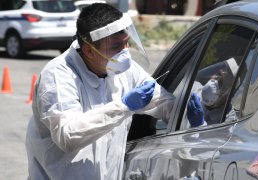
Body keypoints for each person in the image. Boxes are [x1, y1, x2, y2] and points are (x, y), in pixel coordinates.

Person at [25, 3, 175, 180]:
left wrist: (198, 109)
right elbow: (68, 136)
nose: (125, 53)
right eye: (116, 47)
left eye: (126, 43)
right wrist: (122, 106)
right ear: (88, 50)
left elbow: (164, 103)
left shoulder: (125, 69)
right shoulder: (58, 76)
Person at [187, 58, 239, 127]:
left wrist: (200, 126)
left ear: (228, 95)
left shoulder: (228, 121)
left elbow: (218, 137)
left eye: (220, 82)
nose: (213, 80)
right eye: (217, 74)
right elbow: (171, 107)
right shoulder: (195, 89)